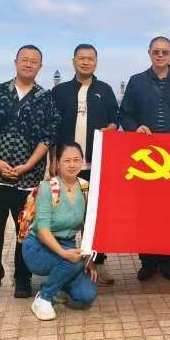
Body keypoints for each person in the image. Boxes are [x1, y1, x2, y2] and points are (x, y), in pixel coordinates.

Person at [0, 45, 60, 302]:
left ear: (40, 67)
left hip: (28, 178)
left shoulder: (46, 98)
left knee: (25, 231)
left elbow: (48, 136)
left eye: (34, 61)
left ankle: (23, 277)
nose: (28, 64)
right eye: (24, 59)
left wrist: (29, 165)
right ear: (15, 62)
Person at [119, 36, 170, 281]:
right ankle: (147, 261)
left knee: (169, 211)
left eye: (165, 52)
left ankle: (165, 260)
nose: (160, 55)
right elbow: (125, 115)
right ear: (149, 53)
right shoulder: (137, 81)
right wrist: (135, 128)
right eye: (156, 51)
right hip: (146, 157)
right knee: (145, 211)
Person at [50, 43, 119, 285]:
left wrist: (112, 128)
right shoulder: (60, 91)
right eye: (81, 58)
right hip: (66, 166)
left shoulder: (105, 90)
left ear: (96, 62)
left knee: (94, 218)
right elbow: (52, 128)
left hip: (96, 165)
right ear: (73, 61)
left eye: (90, 58)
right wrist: (52, 161)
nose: (86, 62)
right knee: (65, 216)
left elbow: (115, 120)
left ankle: (97, 263)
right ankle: (63, 265)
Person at [22, 142, 97, 320]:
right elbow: (42, 230)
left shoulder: (86, 188)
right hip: (38, 247)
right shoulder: (47, 188)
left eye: (76, 160)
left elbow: (87, 227)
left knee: (87, 295)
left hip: (67, 245)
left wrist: (88, 258)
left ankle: (58, 285)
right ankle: (44, 297)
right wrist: (65, 254)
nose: (72, 165)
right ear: (57, 163)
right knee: (72, 261)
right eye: (67, 161)